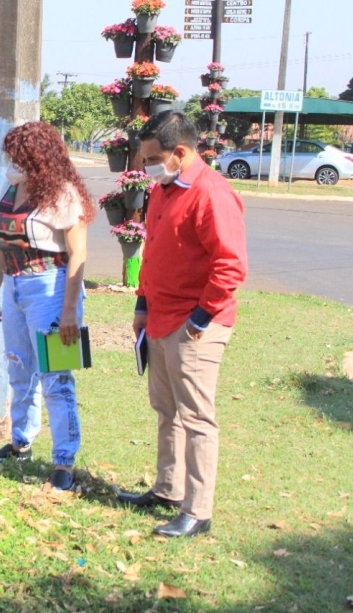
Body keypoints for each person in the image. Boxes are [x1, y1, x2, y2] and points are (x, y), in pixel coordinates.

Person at [117, 112, 247, 538]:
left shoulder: (212, 193)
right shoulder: (162, 189)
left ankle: (197, 510)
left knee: (195, 417)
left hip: (194, 323)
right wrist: (141, 304)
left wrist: (200, 318)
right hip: (159, 316)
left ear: (181, 152)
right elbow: (153, 255)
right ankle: (168, 489)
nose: (148, 166)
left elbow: (230, 266)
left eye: (154, 157)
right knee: (165, 409)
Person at [0, 121, 94, 491]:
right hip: (14, 286)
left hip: (50, 286)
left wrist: (68, 312)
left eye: (19, 157)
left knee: (56, 378)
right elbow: (2, 245)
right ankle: (20, 442)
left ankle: (64, 461)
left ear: (39, 158)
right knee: (19, 368)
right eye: (10, 156)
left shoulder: (63, 194)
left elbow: (78, 254)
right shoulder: (11, 187)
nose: (11, 163)